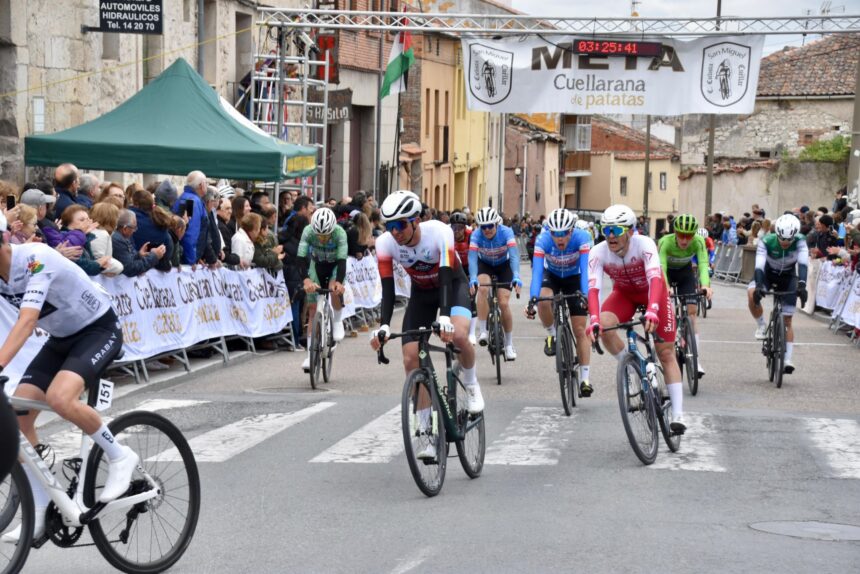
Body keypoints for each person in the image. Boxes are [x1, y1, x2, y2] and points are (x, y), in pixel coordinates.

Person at [0, 235, 138, 542]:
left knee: (60, 398)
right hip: (61, 339)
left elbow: (27, 320)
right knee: (19, 415)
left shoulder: (36, 259)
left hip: (99, 330)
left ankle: (120, 456)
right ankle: (42, 502)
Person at [371, 191, 483, 461]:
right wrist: (384, 325)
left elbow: (446, 277)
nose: (395, 232)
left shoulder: (439, 233)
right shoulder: (385, 244)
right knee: (410, 358)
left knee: (457, 335)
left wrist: (444, 317)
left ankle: (470, 383)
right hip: (421, 294)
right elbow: (388, 291)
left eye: (400, 225)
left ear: (416, 221)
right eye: (390, 226)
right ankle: (425, 430)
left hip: (452, 286)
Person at [586, 204, 687, 434]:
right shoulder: (598, 252)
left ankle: (679, 413)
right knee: (603, 324)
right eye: (606, 229)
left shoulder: (645, 244)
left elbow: (655, 279)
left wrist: (652, 309)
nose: (610, 236)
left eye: (616, 230)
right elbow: (593, 290)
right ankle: (630, 365)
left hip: (654, 293)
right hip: (624, 295)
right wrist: (593, 319)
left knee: (666, 353)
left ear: (630, 231)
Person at [525, 208, 594, 395]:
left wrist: (586, 295)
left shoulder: (582, 237)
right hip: (552, 275)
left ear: (572, 230)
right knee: (544, 299)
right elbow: (537, 273)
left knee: (580, 330)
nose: (560, 238)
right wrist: (532, 299)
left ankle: (585, 379)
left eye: (564, 233)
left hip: (575, 277)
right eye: (556, 234)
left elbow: (586, 271)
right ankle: (552, 334)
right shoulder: (543, 240)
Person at [748, 214, 809, 374]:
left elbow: (803, 265)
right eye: (782, 239)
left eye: (788, 241)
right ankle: (761, 325)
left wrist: (802, 286)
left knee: (787, 320)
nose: (785, 243)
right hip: (767, 274)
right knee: (751, 292)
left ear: (795, 236)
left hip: (788, 276)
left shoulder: (801, 241)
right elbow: (759, 266)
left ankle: (787, 359)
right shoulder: (766, 241)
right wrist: (760, 286)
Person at [658, 214, 713, 377]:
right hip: (666, 272)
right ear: (675, 232)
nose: (684, 240)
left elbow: (703, 264)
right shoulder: (665, 242)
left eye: (688, 236)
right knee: (666, 310)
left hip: (685, 273)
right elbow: (661, 266)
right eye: (681, 235)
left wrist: (705, 285)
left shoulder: (698, 241)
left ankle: (695, 360)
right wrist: (666, 287)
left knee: (692, 312)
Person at [297, 208, 348, 372]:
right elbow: (300, 258)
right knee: (312, 310)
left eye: (326, 235)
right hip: (316, 265)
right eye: (319, 235)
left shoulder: (340, 233)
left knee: (333, 290)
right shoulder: (308, 231)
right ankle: (310, 354)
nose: (323, 238)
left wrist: (339, 282)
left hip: (334, 266)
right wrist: (305, 279)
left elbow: (342, 261)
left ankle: (338, 320)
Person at [468, 206, 521, 360]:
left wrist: (516, 275)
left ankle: (509, 344)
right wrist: (472, 277)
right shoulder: (476, 235)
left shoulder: (506, 232)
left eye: (490, 226)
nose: (487, 230)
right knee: (483, 289)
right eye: (483, 227)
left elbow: (514, 256)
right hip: (485, 265)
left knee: (503, 304)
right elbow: (472, 257)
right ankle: (483, 330)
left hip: (504, 266)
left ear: (497, 224)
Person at [172, 171, 212, 265]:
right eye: (206, 183)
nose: (207, 185)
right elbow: (189, 234)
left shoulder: (188, 198)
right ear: (201, 185)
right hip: (187, 260)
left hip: (185, 255)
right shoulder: (191, 201)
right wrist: (191, 260)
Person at [112, 209, 167, 277]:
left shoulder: (121, 237)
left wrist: (138, 255)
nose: (134, 231)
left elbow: (126, 260)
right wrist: (154, 256)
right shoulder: (118, 240)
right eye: (134, 228)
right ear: (125, 229)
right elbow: (130, 269)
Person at [130, 189, 174, 272]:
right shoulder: (159, 221)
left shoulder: (129, 215)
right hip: (153, 266)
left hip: (136, 265)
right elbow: (168, 247)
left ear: (135, 204)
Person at [450, 211, 478, 344]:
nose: (457, 231)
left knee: (471, 298)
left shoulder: (471, 236)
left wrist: (473, 278)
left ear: (464, 228)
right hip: (456, 269)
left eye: (460, 228)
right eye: (454, 228)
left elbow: (475, 257)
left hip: (470, 267)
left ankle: (472, 333)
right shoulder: (448, 237)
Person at [89, 202, 124, 276]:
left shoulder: (101, 232)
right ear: (111, 218)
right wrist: (115, 269)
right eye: (117, 217)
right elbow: (98, 259)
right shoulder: (101, 234)